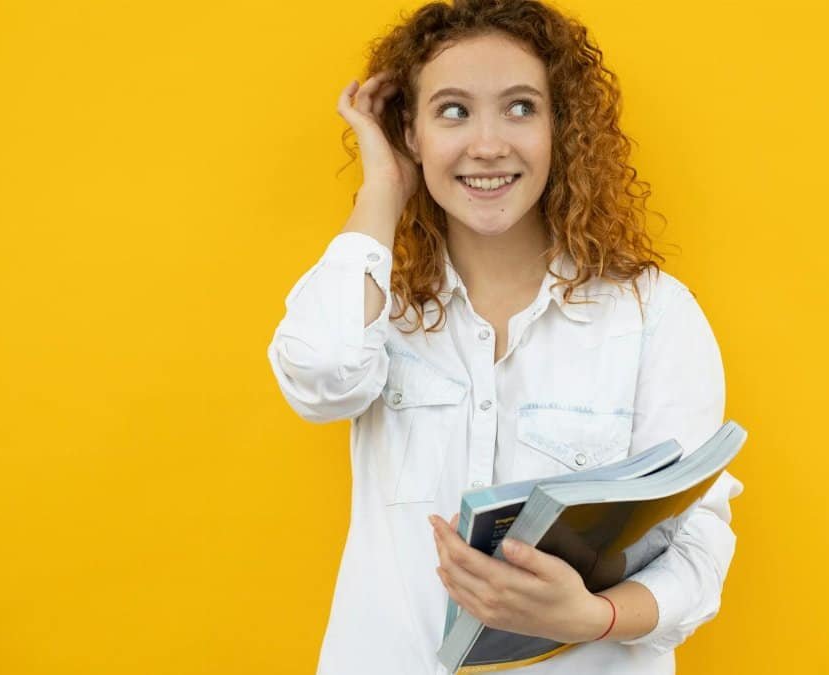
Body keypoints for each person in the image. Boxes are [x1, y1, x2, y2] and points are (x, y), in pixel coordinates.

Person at [265, 1, 745, 672]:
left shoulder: (652, 314)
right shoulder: (380, 310)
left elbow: (696, 546)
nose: (487, 143)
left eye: (520, 107)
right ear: (413, 132)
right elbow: (320, 377)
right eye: (453, 111)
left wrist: (593, 615)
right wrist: (382, 187)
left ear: (559, 128)